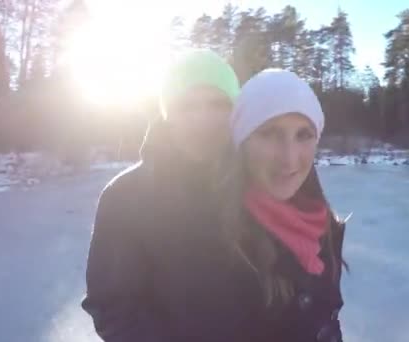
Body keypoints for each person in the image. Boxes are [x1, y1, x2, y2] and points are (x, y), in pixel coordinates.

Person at [81, 49, 243, 341]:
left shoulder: (257, 183)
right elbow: (112, 309)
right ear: (168, 114)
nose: (203, 118)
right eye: (188, 106)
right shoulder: (125, 196)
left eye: (218, 104)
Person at [217, 68, 347, 341]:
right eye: (269, 133)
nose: (289, 159)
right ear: (242, 143)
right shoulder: (217, 241)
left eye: (303, 135)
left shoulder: (324, 226)